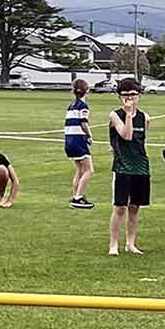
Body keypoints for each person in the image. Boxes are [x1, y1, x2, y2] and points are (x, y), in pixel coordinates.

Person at [105, 77, 150, 255]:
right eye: (125, 95)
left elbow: (140, 141)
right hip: (122, 167)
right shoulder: (115, 115)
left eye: (133, 95)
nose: (129, 99)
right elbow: (126, 135)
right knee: (120, 206)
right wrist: (129, 115)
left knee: (135, 207)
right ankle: (113, 244)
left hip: (140, 166)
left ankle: (131, 243)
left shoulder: (145, 117)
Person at [63, 79, 94, 209]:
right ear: (87, 90)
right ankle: (78, 198)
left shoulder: (71, 105)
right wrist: (89, 135)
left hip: (69, 141)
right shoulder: (83, 106)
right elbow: (83, 123)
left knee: (80, 170)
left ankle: (76, 194)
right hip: (78, 140)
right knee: (89, 170)